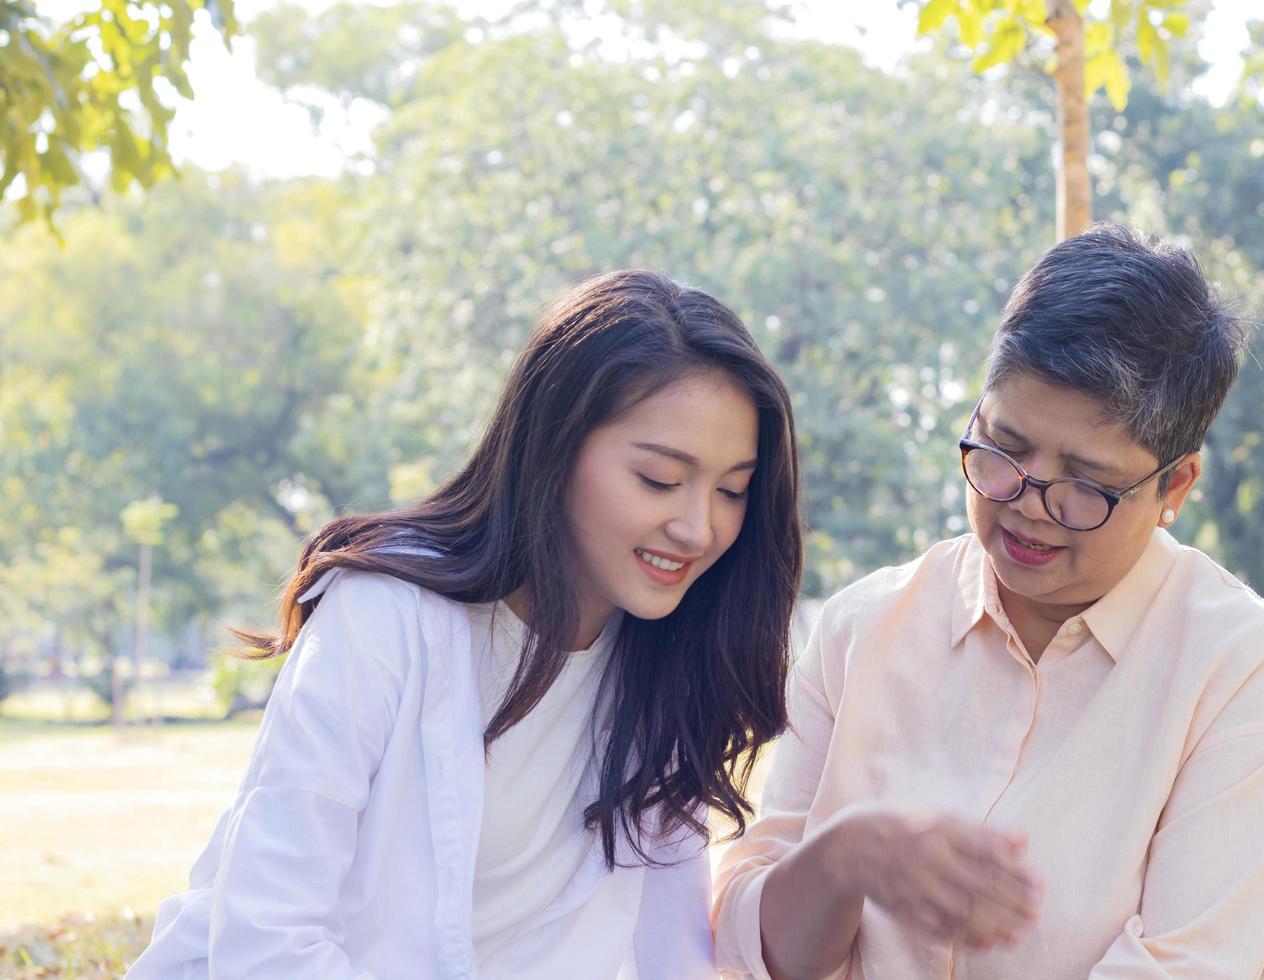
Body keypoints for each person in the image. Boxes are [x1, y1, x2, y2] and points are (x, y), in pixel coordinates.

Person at [126, 270, 803, 980]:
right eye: (660, 479)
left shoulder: (668, 664)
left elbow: (670, 951)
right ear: (554, 447)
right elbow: (269, 932)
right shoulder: (384, 616)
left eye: (732, 490)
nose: (698, 527)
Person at [713, 224, 1264, 979]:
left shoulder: (1233, 663)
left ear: (1175, 486)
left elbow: (1184, 965)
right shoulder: (862, 629)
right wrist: (843, 862)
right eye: (1003, 449)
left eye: (1083, 483)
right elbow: (749, 951)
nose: (1028, 505)